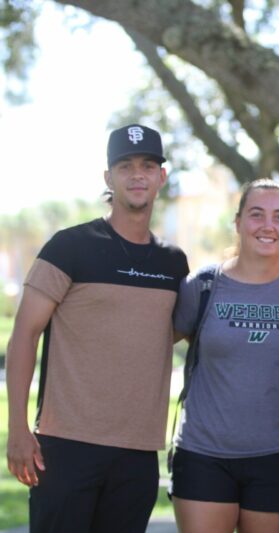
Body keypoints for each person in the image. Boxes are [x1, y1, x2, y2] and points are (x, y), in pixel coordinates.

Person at [5, 124, 189, 532]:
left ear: (161, 176)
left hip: (138, 453)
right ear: (109, 177)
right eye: (125, 166)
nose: (137, 174)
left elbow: (175, 333)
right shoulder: (69, 247)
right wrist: (18, 428)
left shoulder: (174, 264)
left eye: (147, 165)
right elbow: (24, 336)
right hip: (66, 447)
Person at [170, 179, 279, 533]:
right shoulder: (203, 286)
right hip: (203, 453)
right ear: (238, 223)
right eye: (256, 214)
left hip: (278, 455)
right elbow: (150, 346)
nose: (268, 225)